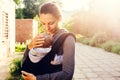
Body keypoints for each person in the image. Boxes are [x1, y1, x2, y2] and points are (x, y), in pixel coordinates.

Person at [21, 2, 76, 80]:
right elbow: (24, 64)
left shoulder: (68, 39)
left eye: (51, 23)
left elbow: (67, 74)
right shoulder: (43, 37)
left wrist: (37, 78)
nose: (46, 28)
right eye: (43, 23)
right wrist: (29, 47)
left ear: (59, 18)